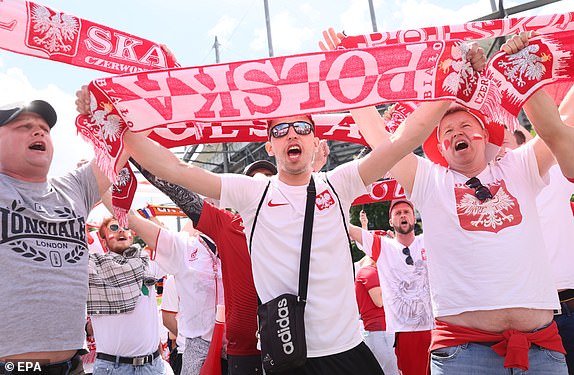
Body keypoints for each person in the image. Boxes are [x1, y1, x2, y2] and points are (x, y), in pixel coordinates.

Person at [342, 30, 568, 373]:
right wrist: (345, 70)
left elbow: (555, 128)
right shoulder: (430, 180)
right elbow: (380, 139)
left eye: (465, 125)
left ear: (484, 135)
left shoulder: (519, 166)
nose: (455, 134)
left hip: (540, 351)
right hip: (464, 356)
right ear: (440, 150)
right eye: (446, 133)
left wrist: (525, 68)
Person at [132, 147, 328, 375]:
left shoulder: (294, 224)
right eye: (253, 182)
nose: (261, 183)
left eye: (267, 181)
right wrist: (134, 150)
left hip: (290, 343)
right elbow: (175, 189)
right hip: (243, 353)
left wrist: (313, 167)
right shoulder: (228, 226)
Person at [0, 100, 124, 374]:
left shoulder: (75, 187)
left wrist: (106, 108)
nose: (39, 132)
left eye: (45, 128)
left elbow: (123, 140)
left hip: (73, 365)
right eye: (24, 127)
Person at [497, 89, 574, 374]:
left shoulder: (554, 175)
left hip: (568, 305)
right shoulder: (488, 193)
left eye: (509, 139)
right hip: (526, 322)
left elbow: (561, 121)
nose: (502, 149)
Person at [124, 208, 224, 375]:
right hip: (192, 349)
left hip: (233, 348)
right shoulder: (178, 270)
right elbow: (168, 318)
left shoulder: (229, 250)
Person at [350, 201, 432, 375]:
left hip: (435, 327)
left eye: (407, 212)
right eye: (397, 213)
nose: (402, 215)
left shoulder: (428, 240)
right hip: (405, 331)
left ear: (413, 217)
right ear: (390, 221)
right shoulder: (384, 246)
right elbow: (349, 228)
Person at [89, 216, 167, 374]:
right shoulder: (92, 270)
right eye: (113, 228)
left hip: (152, 367)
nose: (120, 230)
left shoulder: (147, 264)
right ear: (104, 242)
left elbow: (171, 246)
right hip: (112, 367)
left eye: (124, 227)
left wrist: (153, 223)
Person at [354, 254, 400, 375]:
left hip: (380, 331)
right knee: (391, 372)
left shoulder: (368, 271)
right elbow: (379, 301)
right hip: (380, 331)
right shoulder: (370, 272)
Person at [161, 275, 184, 375]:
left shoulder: (218, 272)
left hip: (222, 351)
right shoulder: (175, 279)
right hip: (184, 352)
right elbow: (168, 320)